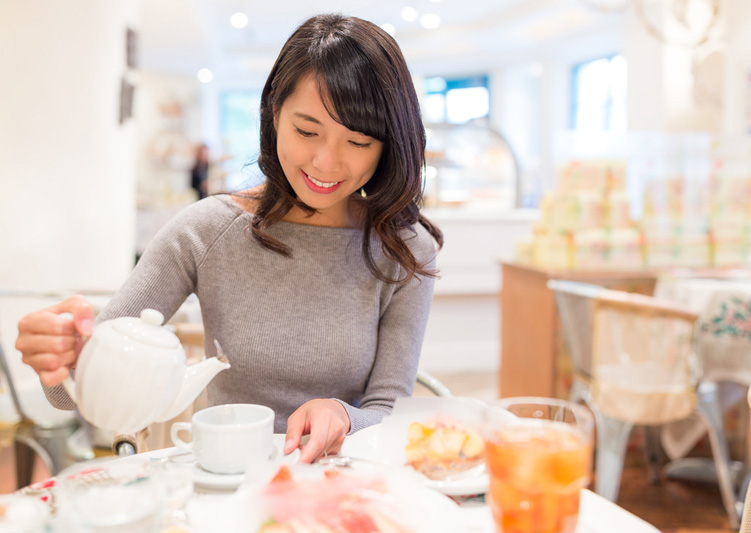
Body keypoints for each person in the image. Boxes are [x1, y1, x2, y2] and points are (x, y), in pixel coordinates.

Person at [15, 14, 443, 464]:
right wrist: (59, 357)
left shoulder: (404, 249)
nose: (326, 163)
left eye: (357, 142)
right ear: (274, 113)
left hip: (348, 489)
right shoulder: (204, 231)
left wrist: (343, 415)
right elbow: (73, 394)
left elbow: (390, 414)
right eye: (306, 130)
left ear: (388, 144)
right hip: (226, 481)